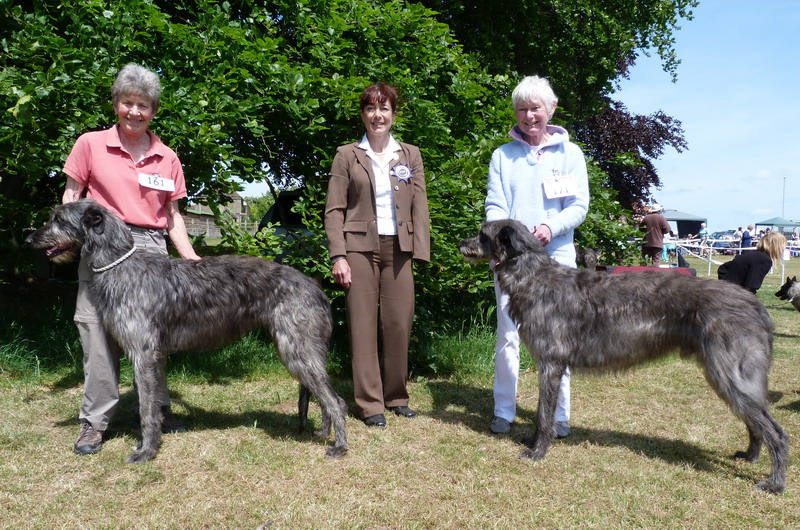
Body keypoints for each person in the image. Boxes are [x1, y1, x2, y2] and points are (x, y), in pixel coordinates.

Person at [63, 64, 200, 455]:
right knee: (97, 335)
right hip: (103, 248)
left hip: (152, 249)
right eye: (127, 103)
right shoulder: (90, 144)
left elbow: (172, 216)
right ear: (116, 105)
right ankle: (95, 421)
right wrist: (73, 238)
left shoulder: (166, 156)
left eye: (143, 105)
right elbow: (72, 197)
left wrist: (190, 256)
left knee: (150, 341)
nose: (134, 112)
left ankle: (157, 412)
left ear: (153, 110)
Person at [484, 75, 590, 436]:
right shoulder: (503, 155)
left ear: (551, 109)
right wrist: (503, 241)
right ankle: (504, 411)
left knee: (560, 339)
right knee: (508, 335)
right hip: (511, 262)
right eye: (522, 109)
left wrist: (550, 227)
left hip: (557, 258)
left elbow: (578, 205)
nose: (529, 116)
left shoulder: (570, 154)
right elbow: (495, 205)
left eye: (535, 108)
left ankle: (559, 417)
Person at [324, 82, 430, 428]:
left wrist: (420, 252)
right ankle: (371, 405)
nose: (377, 115)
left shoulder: (410, 154)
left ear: (393, 114)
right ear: (363, 114)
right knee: (363, 326)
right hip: (358, 249)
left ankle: (397, 396)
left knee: (399, 324)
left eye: (384, 108)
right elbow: (334, 210)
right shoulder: (347, 155)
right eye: (371, 108)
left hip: (400, 249)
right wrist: (338, 255)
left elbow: (420, 205)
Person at [717, 231, 786, 293]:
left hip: (725, 291)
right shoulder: (764, 260)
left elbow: (722, 268)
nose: (783, 248)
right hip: (735, 295)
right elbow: (751, 286)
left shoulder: (750, 254)